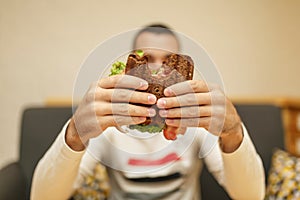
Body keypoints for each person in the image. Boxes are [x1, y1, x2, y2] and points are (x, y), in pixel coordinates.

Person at [31, 24, 265, 200]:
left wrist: (234, 132)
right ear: (131, 64)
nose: (156, 71)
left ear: (182, 69)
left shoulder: (195, 123)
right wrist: (74, 134)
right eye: (147, 59)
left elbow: (251, 196)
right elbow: (43, 197)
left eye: (168, 61)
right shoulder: (109, 124)